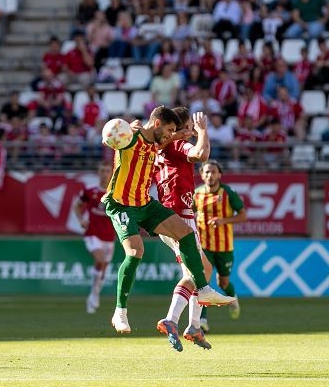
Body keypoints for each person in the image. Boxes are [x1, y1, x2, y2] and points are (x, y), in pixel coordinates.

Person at [102, 107, 234, 335]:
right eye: (169, 129)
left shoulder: (156, 143)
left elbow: (167, 139)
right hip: (121, 204)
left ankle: (202, 290)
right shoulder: (132, 135)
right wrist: (113, 134)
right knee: (135, 252)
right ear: (156, 124)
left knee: (186, 234)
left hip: (145, 203)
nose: (171, 134)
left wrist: (182, 133)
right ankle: (120, 311)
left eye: (174, 130)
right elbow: (110, 137)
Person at [153, 108, 214, 351]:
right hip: (180, 216)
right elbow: (202, 154)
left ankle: (194, 326)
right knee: (196, 274)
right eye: (187, 126)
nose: (189, 131)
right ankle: (172, 319)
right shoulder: (177, 147)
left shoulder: (164, 147)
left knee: (202, 270)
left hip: (172, 215)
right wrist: (203, 131)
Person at [194, 160, 246, 332]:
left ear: (219, 175)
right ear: (202, 175)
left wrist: (224, 220)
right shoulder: (197, 194)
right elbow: (188, 213)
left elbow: (243, 215)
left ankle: (233, 298)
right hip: (204, 247)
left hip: (224, 247)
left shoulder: (228, 193)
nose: (210, 175)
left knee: (223, 283)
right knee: (203, 283)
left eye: (213, 172)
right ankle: (202, 321)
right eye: (207, 172)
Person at [72, 163, 116, 315]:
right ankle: (94, 294)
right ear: (98, 173)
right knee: (100, 260)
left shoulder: (116, 192)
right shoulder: (90, 191)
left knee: (103, 268)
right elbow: (77, 205)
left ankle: (94, 293)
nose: (104, 174)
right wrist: (80, 220)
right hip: (92, 233)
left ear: (111, 173)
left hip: (109, 236)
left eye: (107, 171)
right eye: (102, 171)